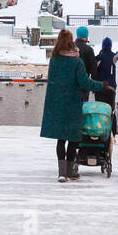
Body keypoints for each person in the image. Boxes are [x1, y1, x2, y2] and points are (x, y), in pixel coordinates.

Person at [40, 29, 104, 182]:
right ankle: (70, 172)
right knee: (73, 138)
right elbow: (84, 82)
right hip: (72, 102)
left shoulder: (54, 60)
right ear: (71, 41)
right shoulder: (76, 61)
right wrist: (101, 85)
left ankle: (62, 173)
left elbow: (52, 80)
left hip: (56, 103)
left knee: (61, 138)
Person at [73, 25, 97, 97]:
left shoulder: (70, 47)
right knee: (83, 105)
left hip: (71, 83)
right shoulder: (88, 49)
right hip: (84, 83)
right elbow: (93, 69)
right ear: (86, 36)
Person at [94, 36, 116, 108]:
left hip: (100, 87)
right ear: (111, 46)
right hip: (112, 87)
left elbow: (94, 72)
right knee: (110, 110)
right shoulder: (115, 57)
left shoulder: (98, 57)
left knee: (100, 109)